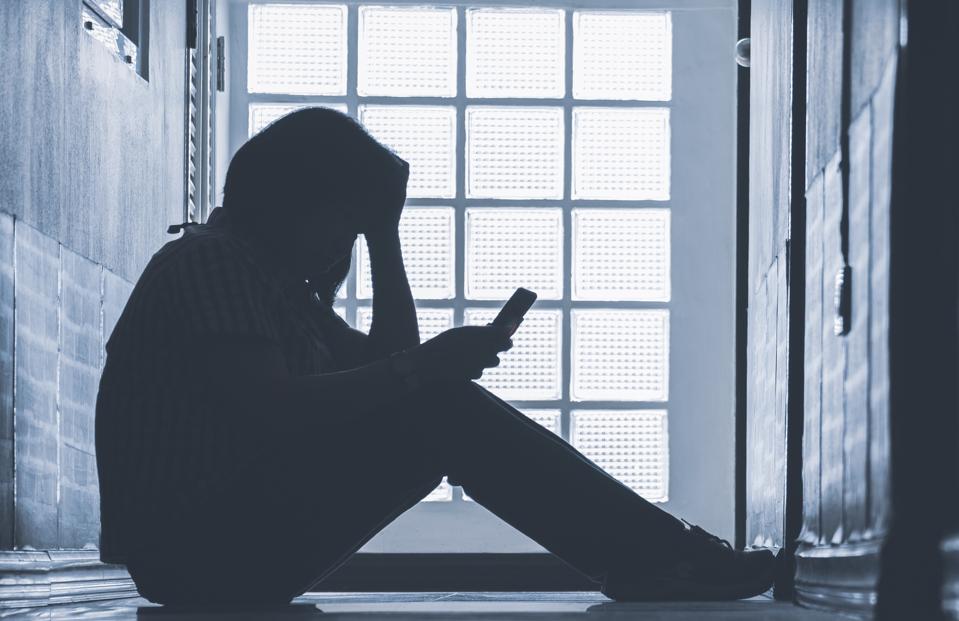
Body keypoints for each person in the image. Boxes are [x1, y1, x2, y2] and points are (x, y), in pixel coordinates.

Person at [95, 107, 775, 606]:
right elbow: (273, 409)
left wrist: (384, 237)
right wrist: (425, 369)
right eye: (344, 219)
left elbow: (392, 368)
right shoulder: (211, 261)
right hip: (196, 552)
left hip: (217, 546)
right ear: (293, 202)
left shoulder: (274, 288)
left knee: (430, 398)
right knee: (437, 403)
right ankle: (661, 557)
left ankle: (653, 557)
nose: (343, 244)